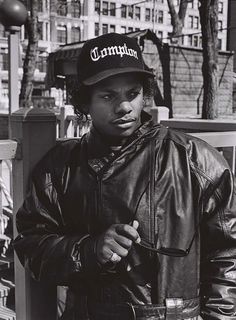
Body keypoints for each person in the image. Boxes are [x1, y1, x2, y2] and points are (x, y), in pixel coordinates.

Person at [13, 32, 236, 320]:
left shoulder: (197, 161)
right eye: (108, 96)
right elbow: (32, 245)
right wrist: (89, 250)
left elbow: (227, 255)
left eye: (132, 93)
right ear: (84, 102)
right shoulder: (60, 166)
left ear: (145, 94)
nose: (124, 107)